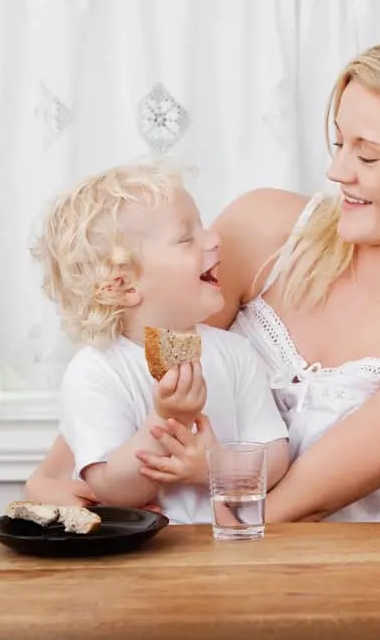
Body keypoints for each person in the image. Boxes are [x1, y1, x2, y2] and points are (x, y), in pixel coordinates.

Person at [25, 29, 380, 523]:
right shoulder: (262, 229)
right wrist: (60, 477)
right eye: (338, 142)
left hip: (311, 580)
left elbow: (292, 506)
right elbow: (141, 349)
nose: (336, 170)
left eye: (366, 155)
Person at [26, 160, 290, 525]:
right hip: (139, 564)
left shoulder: (235, 353)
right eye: (187, 237)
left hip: (223, 552)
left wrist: (214, 466)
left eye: (203, 225)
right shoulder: (95, 372)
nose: (214, 238)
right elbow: (112, 492)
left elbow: (275, 453)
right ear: (124, 285)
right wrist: (165, 420)